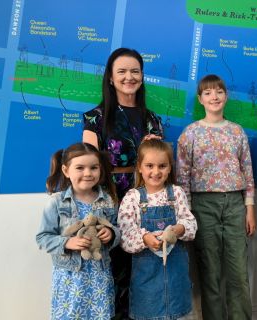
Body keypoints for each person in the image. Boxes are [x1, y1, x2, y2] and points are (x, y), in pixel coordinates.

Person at [82, 47, 163, 319]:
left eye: (135, 71)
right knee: (114, 271)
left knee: (145, 269)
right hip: (110, 197)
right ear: (110, 77)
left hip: (146, 199)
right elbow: (88, 166)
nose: (129, 77)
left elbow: (159, 164)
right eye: (122, 71)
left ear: (142, 76)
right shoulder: (95, 117)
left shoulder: (152, 119)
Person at [177, 74, 256, 320]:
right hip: (202, 206)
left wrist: (250, 208)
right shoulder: (190, 133)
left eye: (219, 91)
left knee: (238, 273)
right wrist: (186, 214)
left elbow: (247, 170)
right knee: (209, 273)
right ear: (200, 99)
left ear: (226, 96)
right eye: (208, 92)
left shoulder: (236, 131)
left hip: (235, 204)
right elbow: (183, 177)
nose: (214, 96)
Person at [36, 142, 120, 320]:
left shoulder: (108, 200)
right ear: (66, 171)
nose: (88, 173)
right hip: (69, 279)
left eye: (93, 168)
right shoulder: (57, 202)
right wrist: (67, 242)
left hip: (99, 277)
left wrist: (111, 235)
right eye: (80, 168)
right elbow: (43, 237)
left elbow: (118, 229)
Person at [117, 139, 197, 320]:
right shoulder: (132, 197)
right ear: (139, 167)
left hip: (177, 277)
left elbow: (190, 223)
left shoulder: (176, 193)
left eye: (162, 166)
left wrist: (178, 229)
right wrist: (145, 238)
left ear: (169, 168)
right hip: (147, 282)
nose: (156, 171)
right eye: (149, 165)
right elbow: (125, 235)